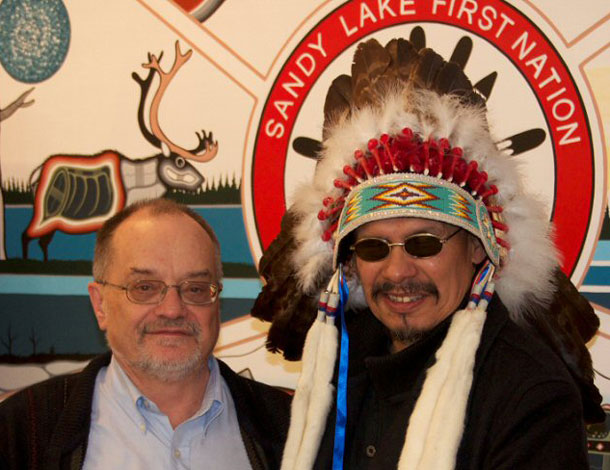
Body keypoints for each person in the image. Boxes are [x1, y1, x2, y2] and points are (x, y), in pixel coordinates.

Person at [251, 37, 604, 469]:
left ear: (478, 247)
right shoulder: (334, 368)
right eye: (373, 247)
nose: (398, 271)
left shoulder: (530, 396)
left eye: (424, 244)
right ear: (349, 261)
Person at [0, 198, 290, 469]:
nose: (173, 310)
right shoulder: (21, 430)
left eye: (196, 289)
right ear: (100, 305)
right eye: (144, 288)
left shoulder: (290, 427)